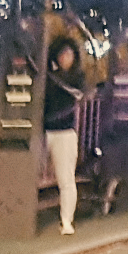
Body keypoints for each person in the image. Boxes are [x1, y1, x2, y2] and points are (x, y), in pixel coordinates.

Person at [42, 39, 85, 235]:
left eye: (69, 54)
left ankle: (66, 220)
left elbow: (79, 93)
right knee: (28, 173)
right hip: (43, 132)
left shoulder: (77, 78)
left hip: (65, 133)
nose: (65, 58)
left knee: (65, 179)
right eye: (62, 54)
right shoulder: (45, 76)